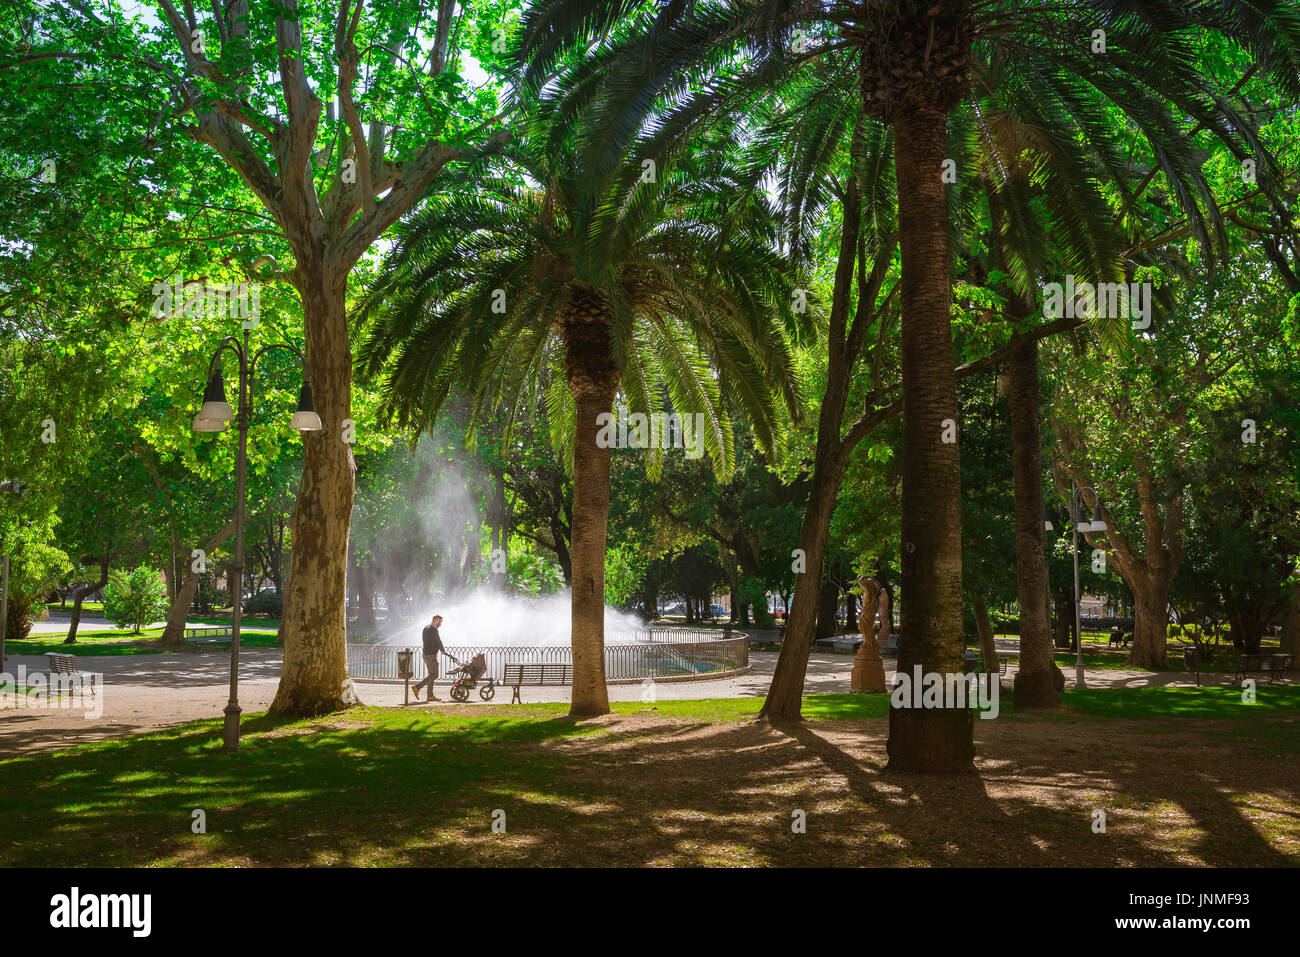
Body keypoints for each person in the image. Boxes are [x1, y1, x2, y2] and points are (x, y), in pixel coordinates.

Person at [411, 614, 445, 702]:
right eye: (440, 622)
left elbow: (432, 641)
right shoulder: (433, 630)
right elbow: (438, 640)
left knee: (431, 675)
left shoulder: (426, 628)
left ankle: (430, 695)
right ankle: (417, 687)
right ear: (436, 620)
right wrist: (442, 650)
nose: (441, 624)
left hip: (426, 654)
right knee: (435, 675)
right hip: (430, 656)